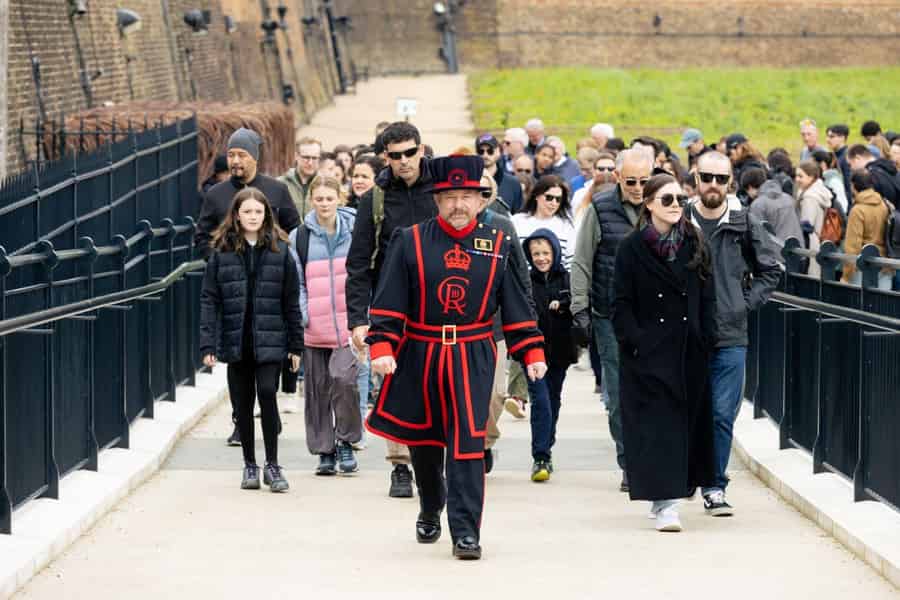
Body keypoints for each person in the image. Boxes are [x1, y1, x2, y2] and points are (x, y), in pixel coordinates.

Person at [365, 154, 547, 561]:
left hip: (473, 354)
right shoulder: (410, 241)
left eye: (468, 196)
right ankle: (431, 505)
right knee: (425, 442)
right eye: (451, 197)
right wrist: (382, 346)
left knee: (467, 442)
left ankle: (466, 531)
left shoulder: (498, 244)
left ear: (482, 201)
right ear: (437, 199)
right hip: (420, 352)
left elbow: (517, 305)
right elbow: (390, 300)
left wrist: (530, 349)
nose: (459, 205)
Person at [613, 174, 717, 532]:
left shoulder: (695, 242)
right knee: (657, 428)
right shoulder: (631, 247)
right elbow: (621, 301)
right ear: (650, 204)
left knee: (682, 427)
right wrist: (635, 340)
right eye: (668, 199)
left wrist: (706, 338)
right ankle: (665, 503)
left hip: (688, 350)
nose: (676, 206)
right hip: (647, 353)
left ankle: (672, 494)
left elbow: (707, 296)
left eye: (679, 199)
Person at [687, 151, 781, 516]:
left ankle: (714, 485)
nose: (713, 184)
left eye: (721, 179)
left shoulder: (745, 222)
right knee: (683, 411)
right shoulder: (678, 218)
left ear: (731, 183)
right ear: (696, 178)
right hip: (685, 333)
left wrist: (743, 303)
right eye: (706, 177)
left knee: (721, 414)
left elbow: (771, 270)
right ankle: (683, 478)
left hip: (730, 333)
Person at [194, 128, 301, 446]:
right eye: (232, 154)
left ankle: (269, 411)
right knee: (237, 358)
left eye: (242, 154)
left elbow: (293, 229)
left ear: (255, 156)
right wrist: (222, 263)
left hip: (270, 285)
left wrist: (283, 262)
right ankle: (241, 422)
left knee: (268, 355)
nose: (235, 160)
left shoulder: (276, 191)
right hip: (233, 290)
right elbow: (201, 236)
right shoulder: (216, 195)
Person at [345, 121, 435, 499]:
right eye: (394, 155)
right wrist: (358, 321)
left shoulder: (442, 189)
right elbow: (358, 263)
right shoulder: (376, 199)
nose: (403, 161)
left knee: (436, 386)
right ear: (385, 156)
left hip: (440, 304)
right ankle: (400, 466)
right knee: (393, 384)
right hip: (392, 308)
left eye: (410, 153)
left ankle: (438, 456)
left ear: (421, 149)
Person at [199, 187, 303, 492]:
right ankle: (249, 464)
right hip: (236, 338)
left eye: (258, 212)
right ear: (236, 215)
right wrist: (208, 343)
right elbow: (209, 298)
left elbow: (291, 300)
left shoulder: (280, 251)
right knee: (242, 405)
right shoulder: (222, 251)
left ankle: (273, 463)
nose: (253, 217)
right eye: (247, 212)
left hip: (271, 338)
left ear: (266, 215)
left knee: (268, 393)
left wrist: (296, 345)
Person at [571, 148, 654, 492]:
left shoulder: (663, 204)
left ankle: (651, 455)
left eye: (644, 181)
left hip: (655, 315)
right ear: (618, 177)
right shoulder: (600, 209)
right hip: (610, 314)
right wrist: (579, 307)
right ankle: (629, 460)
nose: (637, 188)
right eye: (631, 181)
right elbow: (583, 259)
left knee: (652, 389)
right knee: (619, 392)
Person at [289, 176, 362, 476]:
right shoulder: (300, 237)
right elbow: (297, 281)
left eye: (329, 198)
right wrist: (303, 315)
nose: (323, 204)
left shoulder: (355, 232)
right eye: (318, 199)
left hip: (348, 326)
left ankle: (346, 441)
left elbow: (362, 275)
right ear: (311, 202)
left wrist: (363, 316)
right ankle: (324, 450)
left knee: (344, 381)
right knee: (317, 390)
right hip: (314, 326)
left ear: (339, 199)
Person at [523, 229, 577, 482]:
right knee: (541, 400)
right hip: (533, 353)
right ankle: (540, 456)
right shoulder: (525, 281)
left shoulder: (566, 279)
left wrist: (563, 306)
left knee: (552, 400)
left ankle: (547, 444)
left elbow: (577, 303)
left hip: (560, 351)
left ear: (555, 252)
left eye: (546, 253)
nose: (541, 258)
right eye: (536, 254)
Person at [842, 170, 894, 290]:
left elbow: (853, 246)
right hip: (885, 262)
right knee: (882, 305)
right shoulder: (885, 205)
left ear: (854, 186)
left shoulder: (858, 210)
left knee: (859, 306)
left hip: (862, 265)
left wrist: (846, 275)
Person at [511, 175, 576, 269]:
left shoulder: (567, 225)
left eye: (558, 199)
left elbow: (570, 263)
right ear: (537, 195)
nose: (554, 203)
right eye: (549, 197)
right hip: (521, 280)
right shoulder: (517, 221)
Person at [744, 167, 803, 244]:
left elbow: (757, 235)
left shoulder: (758, 205)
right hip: (797, 249)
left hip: (776, 252)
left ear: (750, 187)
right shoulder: (788, 198)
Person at [476, 133, 523, 214]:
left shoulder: (513, 183)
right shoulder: (470, 181)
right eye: (481, 151)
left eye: (490, 151)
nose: (485, 155)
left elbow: (517, 216)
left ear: (498, 151)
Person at [279, 137, 322, 218]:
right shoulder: (280, 183)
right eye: (306, 157)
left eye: (315, 158)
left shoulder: (327, 184)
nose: (310, 162)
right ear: (296, 156)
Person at [573, 152, 617, 231]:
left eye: (610, 169)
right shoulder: (580, 194)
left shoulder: (624, 193)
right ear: (593, 171)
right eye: (601, 169)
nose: (606, 172)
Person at [812, 150, 849, 214]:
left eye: (812, 163)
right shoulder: (822, 179)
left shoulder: (833, 181)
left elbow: (843, 205)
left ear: (822, 164)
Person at [826, 124, 853, 199]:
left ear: (842, 138)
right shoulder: (835, 155)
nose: (827, 140)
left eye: (832, 137)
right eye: (827, 136)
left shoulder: (846, 157)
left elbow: (848, 187)